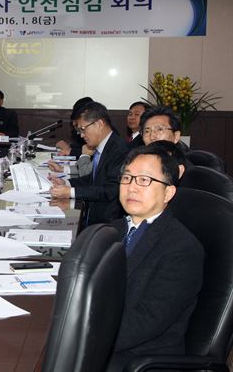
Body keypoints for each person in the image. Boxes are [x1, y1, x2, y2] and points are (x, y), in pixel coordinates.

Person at [107, 145, 204, 371]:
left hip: (139, 358)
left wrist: (83, 336)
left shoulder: (182, 249)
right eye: (127, 178)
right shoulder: (112, 230)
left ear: (168, 192)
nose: (132, 187)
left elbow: (146, 321)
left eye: (144, 180)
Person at [50, 101, 129, 226]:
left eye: (83, 129)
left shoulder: (120, 150)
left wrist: (70, 192)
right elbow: (94, 178)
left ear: (99, 124)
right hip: (93, 216)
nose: (81, 135)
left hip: (107, 223)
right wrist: (66, 183)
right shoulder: (105, 146)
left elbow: (111, 190)